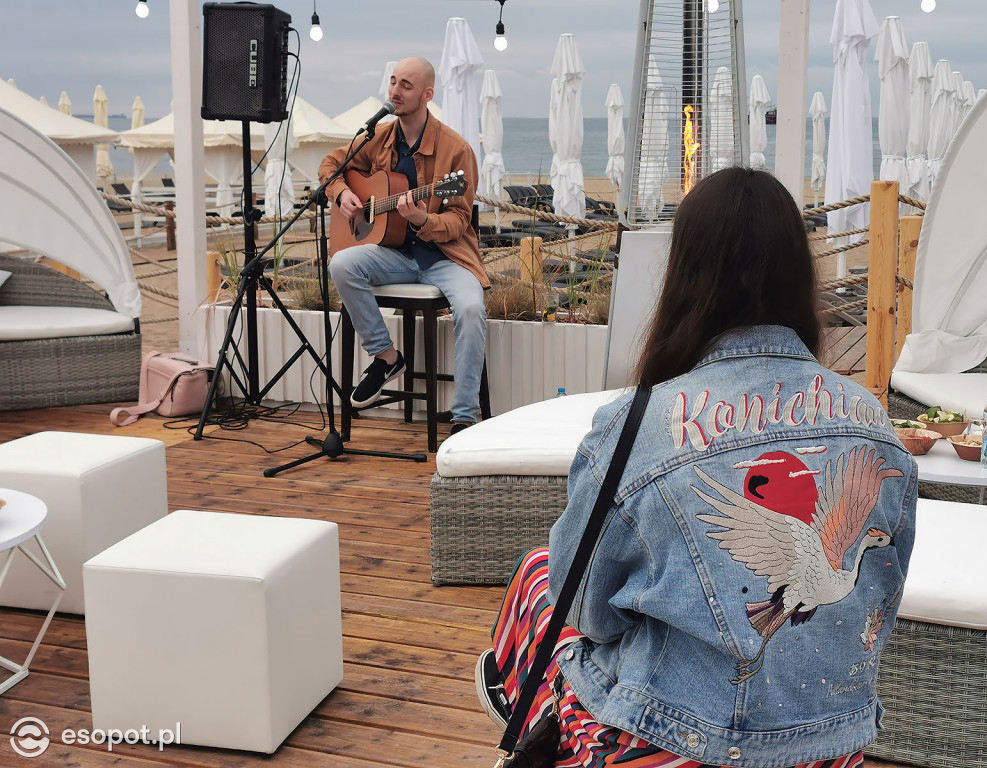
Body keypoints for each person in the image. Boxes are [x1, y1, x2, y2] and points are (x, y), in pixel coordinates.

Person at [476, 168, 917, 768]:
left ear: (684, 275)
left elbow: (589, 613)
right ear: (798, 274)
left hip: (677, 747)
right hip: (830, 750)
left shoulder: (635, 424)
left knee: (539, 580)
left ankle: (522, 711)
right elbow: (880, 593)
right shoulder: (874, 421)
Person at [319, 57, 487, 433]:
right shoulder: (379, 136)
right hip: (393, 254)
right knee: (342, 264)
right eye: (393, 82)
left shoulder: (456, 150)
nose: (395, 91)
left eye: (406, 85)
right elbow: (331, 164)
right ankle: (386, 356)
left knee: (472, 309)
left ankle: (463, 419)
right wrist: (343, 191)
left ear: (428, 94)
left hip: (446, 257)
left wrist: (422, 219)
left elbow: (460, 220)